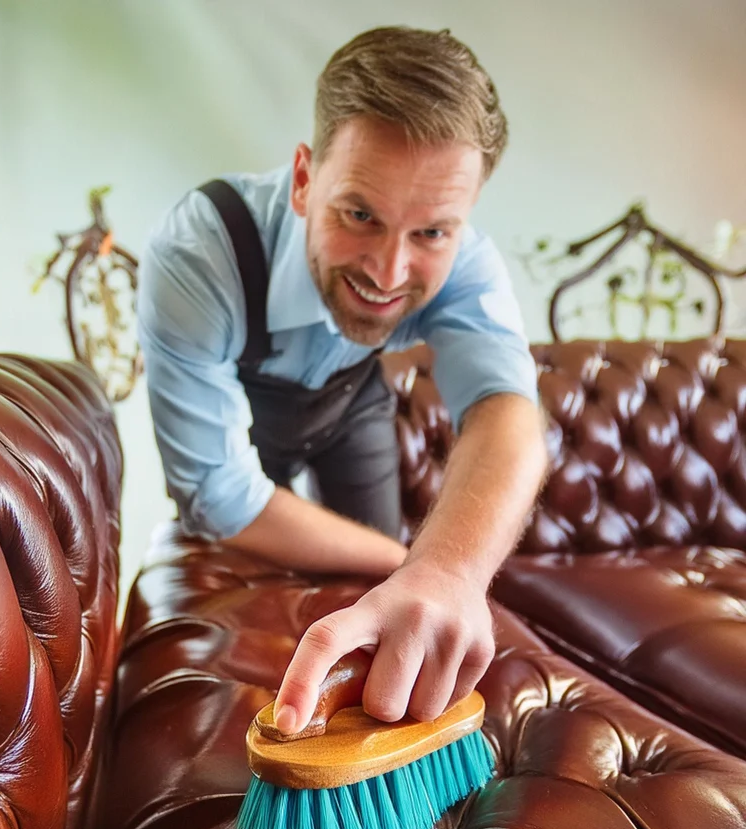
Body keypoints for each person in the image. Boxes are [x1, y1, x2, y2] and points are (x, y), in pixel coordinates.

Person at [136, 26, 548, 738]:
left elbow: (508, 412)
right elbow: (218, 491)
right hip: (247, 420)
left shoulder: (468, 262)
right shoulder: (200, 252)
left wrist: (442, 573)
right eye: (360, 215)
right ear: (303, 179)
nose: (389, 273)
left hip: (351, 401)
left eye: (432, 234)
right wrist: (405, 560)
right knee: (321, 562)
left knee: (382, 599)